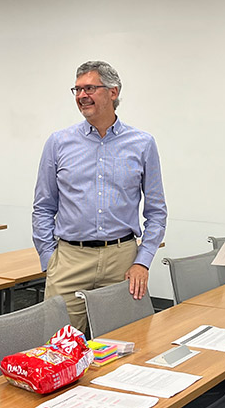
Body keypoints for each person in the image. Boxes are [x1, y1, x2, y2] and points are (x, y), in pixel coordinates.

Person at [32, 60, 167, 334]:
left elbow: (156, 211)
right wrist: (50, 259)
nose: (82, 96)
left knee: (125, 345)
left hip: (123, 260)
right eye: (77, 90)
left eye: (90, 88)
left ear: (113, 92)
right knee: (58, 347)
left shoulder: (142, 143)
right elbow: (43, 207)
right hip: (70, 258)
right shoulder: (59, 142)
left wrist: (143, 260)